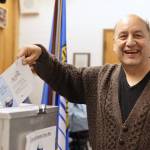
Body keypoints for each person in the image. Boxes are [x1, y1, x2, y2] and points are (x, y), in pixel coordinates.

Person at [17, 14, 150, 150]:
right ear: (114, 44)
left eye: (138, 35)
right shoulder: (100, 78)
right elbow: (65, 76)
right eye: (123, 36)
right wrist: (41, 56)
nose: (130, 42)